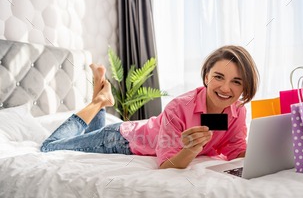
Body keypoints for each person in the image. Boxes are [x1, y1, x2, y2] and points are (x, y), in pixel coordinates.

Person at [41, 45, 259, 169]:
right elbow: (167, 165)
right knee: (49, 147)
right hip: (121, 140)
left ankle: (101, 95)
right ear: (206, 76)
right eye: (218, 77)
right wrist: (191, 150)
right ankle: (98, 101)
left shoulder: (237, 111)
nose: (225, 88)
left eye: (236, 81)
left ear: (244, 87)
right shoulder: (180, 107)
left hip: (141, 128)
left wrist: (266, 152)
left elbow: (234, 148)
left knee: (89, 134)